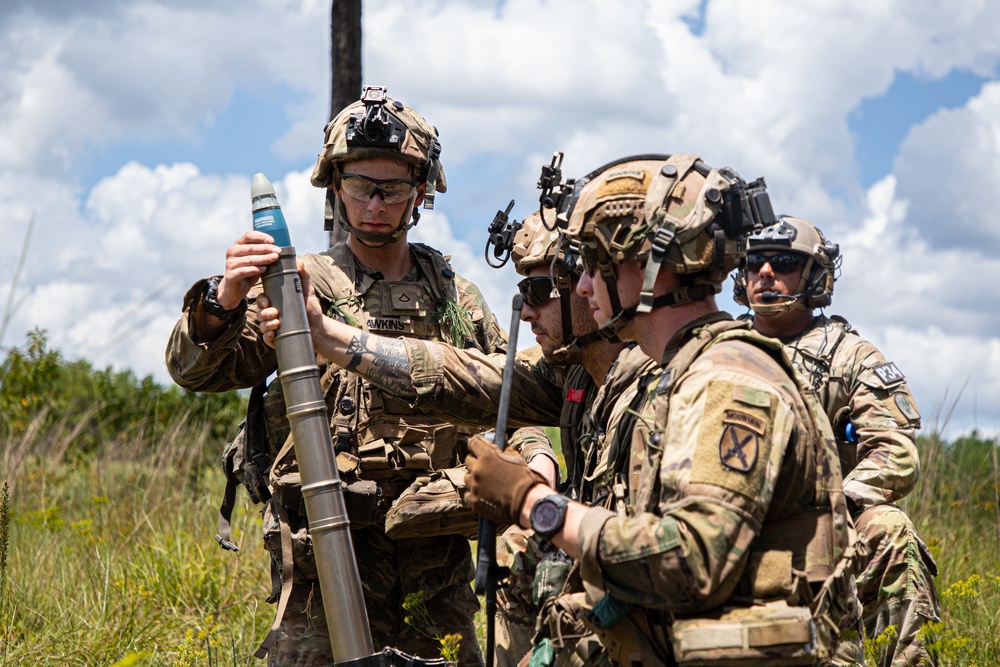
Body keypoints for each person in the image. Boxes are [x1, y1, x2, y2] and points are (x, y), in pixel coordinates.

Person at [462, 154, 864, 667]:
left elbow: (691, 558)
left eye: (596, 264)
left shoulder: (727, 380)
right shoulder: (682, 373)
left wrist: (533, 503)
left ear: (652, 268)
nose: (582, 286)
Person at [165, 86, 504, 667]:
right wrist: (222, 301)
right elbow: (194, 371)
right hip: (325, 561)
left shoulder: (456, 298)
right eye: (357, 186)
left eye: (391, 188)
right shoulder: (299, 284)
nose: (373, 203)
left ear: (419, 192)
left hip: (435, 563)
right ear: (334, 190)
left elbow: (507, 398)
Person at [256, 207, 656, 666]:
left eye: (542, 290)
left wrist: (533, 501)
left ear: (595, 283)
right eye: (523, 291)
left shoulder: (657, 386)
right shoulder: (573, 376)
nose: (526, 310)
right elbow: (459, 373)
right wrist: (325, 333)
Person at [734, 216, 940, 667]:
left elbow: (895, 451)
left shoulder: (849, 357)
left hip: (825, 528)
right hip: (726, 523)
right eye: (755, 262)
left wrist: (836, 506)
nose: (766, 273)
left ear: (815, 277)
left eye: (784, 262)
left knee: (888, 528)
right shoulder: (719, 347)